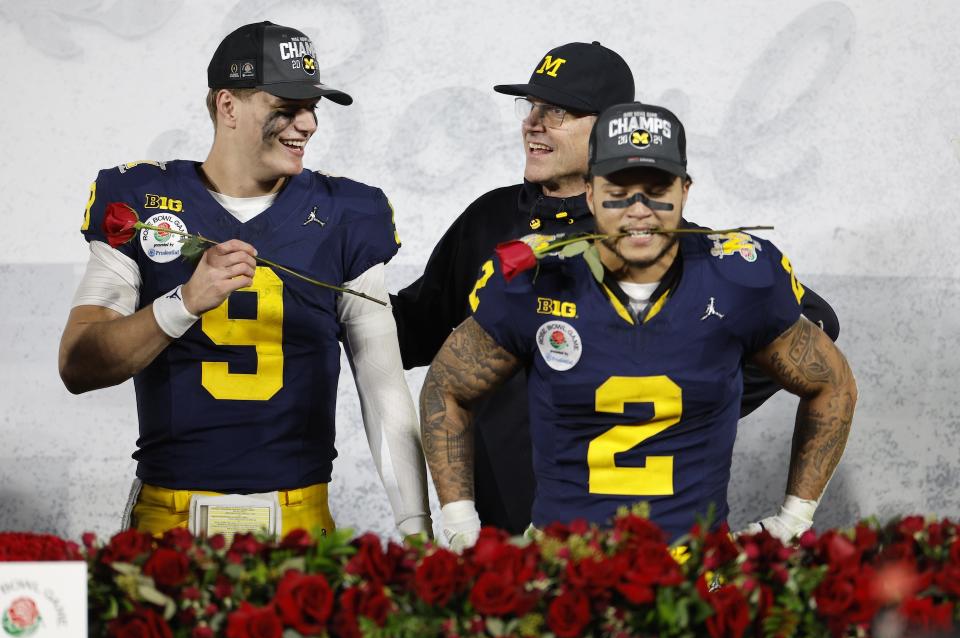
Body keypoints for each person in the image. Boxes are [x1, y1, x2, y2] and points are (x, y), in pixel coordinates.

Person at [392, 42, 839, 539]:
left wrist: (686, 396)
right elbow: (418, 330)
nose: (533, 123)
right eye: (531, 107)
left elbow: (814, 328)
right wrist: (330, 304)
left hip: (643, 522)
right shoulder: (491, 218)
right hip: (507, 521)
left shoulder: (662, 240)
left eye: (555, 111)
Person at [58, 21, 431, 539]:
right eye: (287, 107)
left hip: (299, 516)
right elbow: (79, 364)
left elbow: (382, 385)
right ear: (228, 105)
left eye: (312, 109)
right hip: (170, 518)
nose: (308, 124)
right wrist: (184, 302)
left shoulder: (347, 213)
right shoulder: (145, 200)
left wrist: (416, 527)